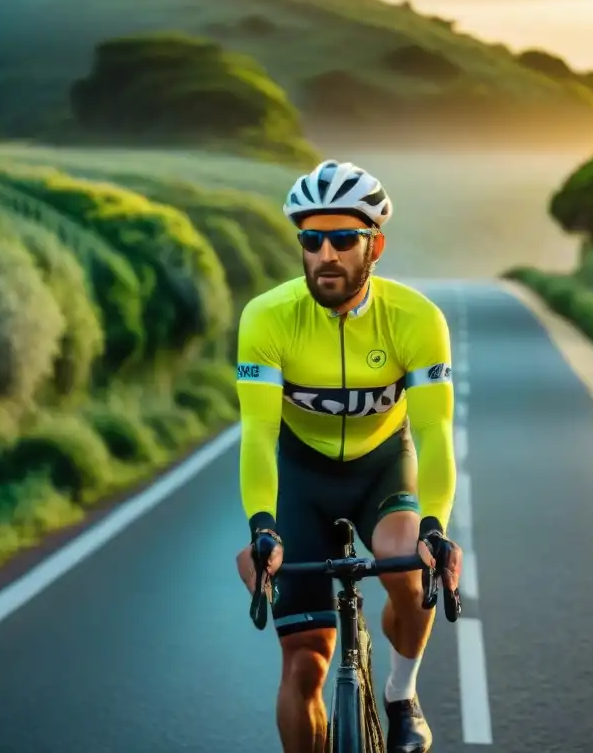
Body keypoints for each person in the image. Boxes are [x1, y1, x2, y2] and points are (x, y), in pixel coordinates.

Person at [234, 159, 463, 753]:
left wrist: (435, 527)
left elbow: (436, 430)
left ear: (375, 245)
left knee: (409, 571)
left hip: (381, 466)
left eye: (343, 238)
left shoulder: (416, 319)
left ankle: (401, 693)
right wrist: (262, 526)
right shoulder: (267, 317)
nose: (325, 254)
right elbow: (258, 433)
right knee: (305, 665)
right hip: (301, 478)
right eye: (311, 240)